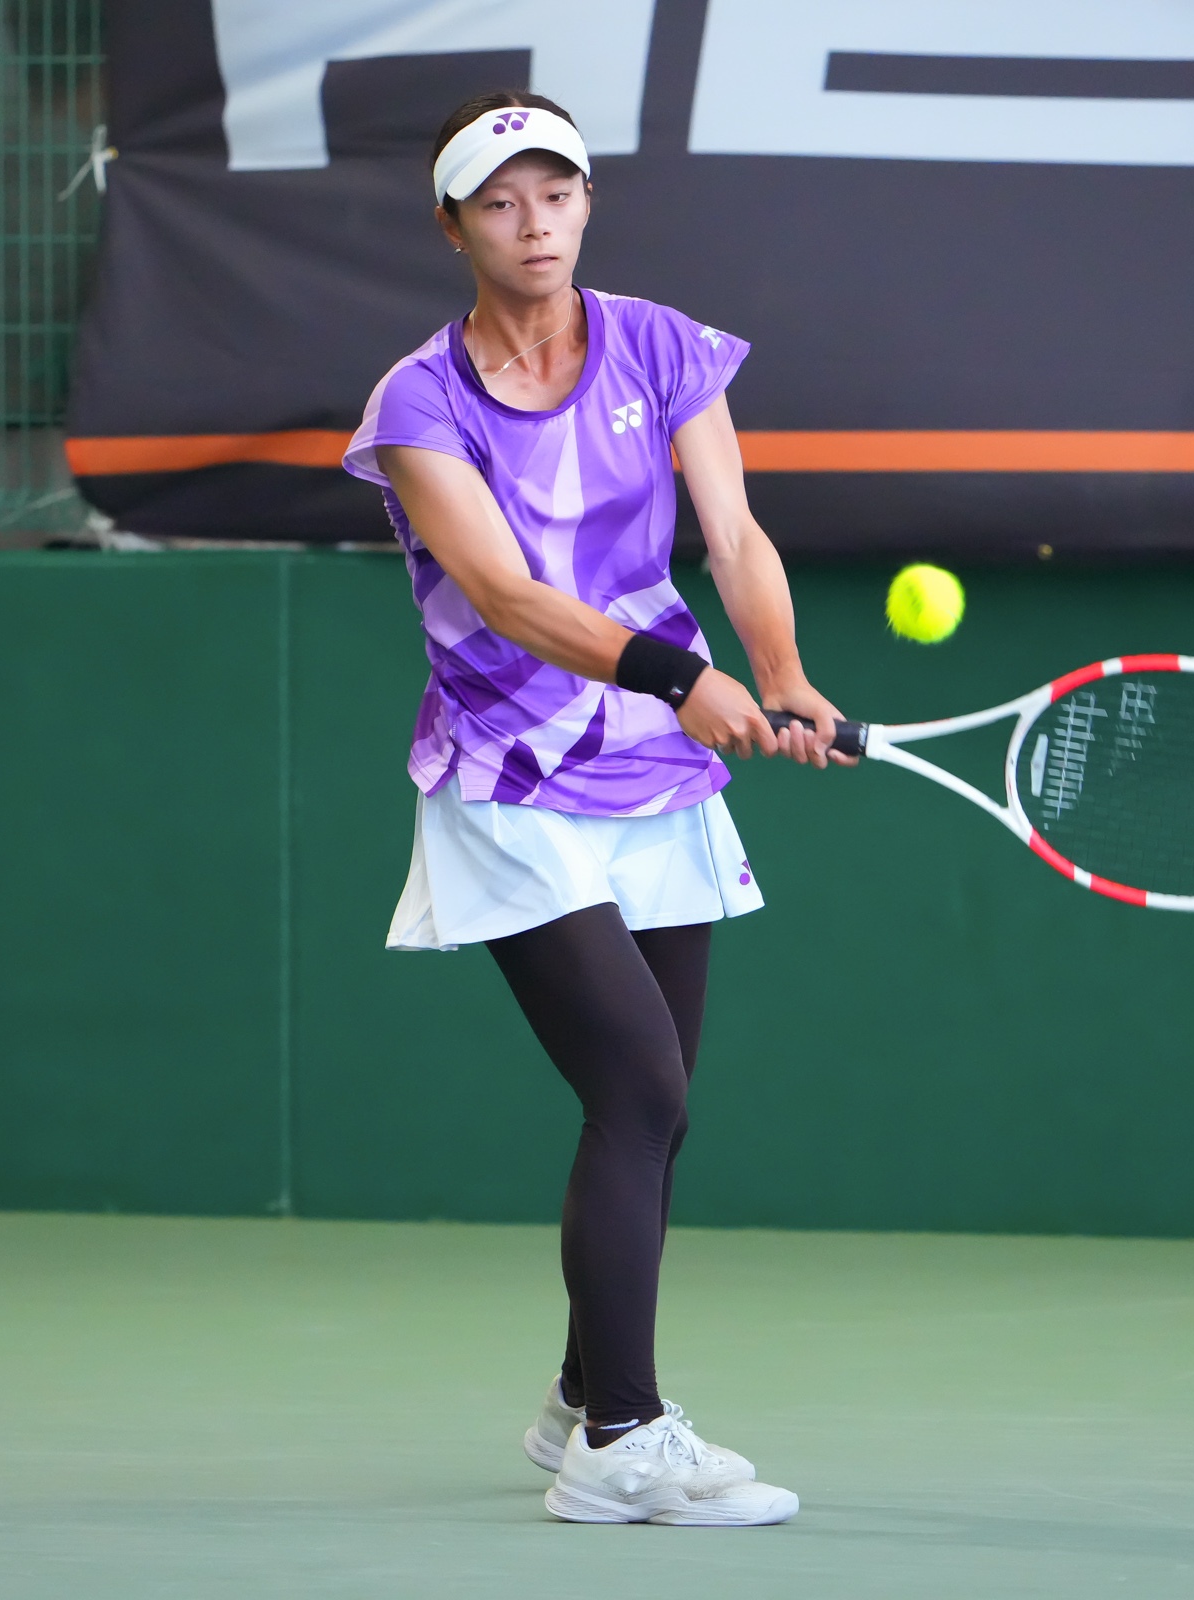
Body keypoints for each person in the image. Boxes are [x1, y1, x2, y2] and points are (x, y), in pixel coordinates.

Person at [340, 91, 847, 1527]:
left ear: (585, 204)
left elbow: (732, 532)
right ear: (455, 227)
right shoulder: (420, 402)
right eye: (500, 202)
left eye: (556, 193)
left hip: (656, 776)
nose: (535, 223)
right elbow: (504, 594)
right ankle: (621, 1442)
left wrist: (781, 674)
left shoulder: (663, 346)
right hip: (509, 777)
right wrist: (681, 675)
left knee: (659, 1110)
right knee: (636, 1090)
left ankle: (581, 1390)